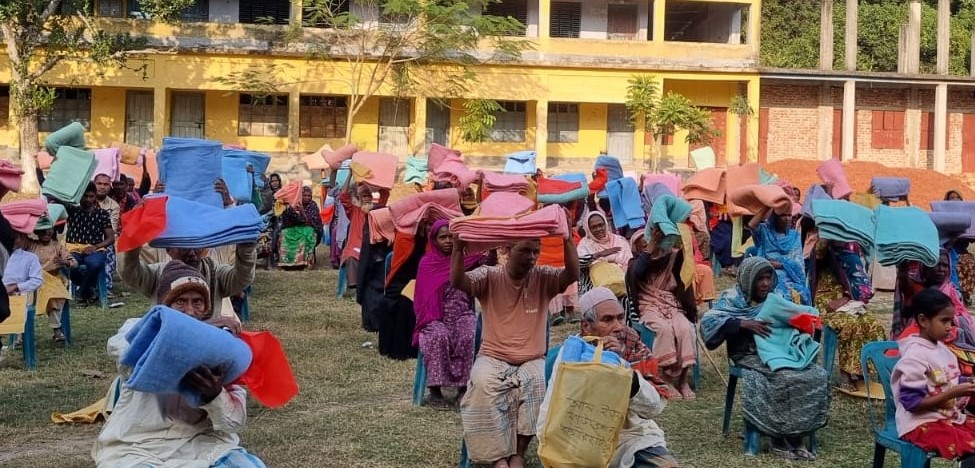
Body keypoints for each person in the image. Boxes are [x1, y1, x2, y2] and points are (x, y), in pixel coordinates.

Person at [92, 261, 259, 467]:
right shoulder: (136, 328)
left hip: (205, 446)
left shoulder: (222, 350)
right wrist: (197, 330)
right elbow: (124, 355)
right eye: (180, 302)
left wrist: (215, 396)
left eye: (197, 302)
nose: (189, 311)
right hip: (139, 447)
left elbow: (234, 423)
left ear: (206, 307)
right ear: (164, 306)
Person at [451, 230, 579, 468]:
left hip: (533, 359)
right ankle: (498, 458)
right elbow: (459, 281)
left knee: (540, 383)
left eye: (535, 252)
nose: (531, 257)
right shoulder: (489, 276)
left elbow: (572, 274)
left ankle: (518, 454)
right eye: (525, 251)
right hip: (492, 357)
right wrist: (458, 249)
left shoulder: (543, 277)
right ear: (507, 251)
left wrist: (567, 238)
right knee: (482, 385)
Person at [701, 256, 829, 461]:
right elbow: (709, 321)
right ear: (747, 278)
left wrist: (803, 322)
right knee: (781, 377)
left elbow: (792, 317)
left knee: (815, 375)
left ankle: (796, 435)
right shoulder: (733, 298)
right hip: (747, 354)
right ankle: (775, 436)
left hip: (779, 351)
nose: (765, 283)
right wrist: (743, 323)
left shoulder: (776, 296)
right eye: (760, 278)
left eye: (769, 278)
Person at [539, 287, 679, 468]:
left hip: (628, 437)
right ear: (586, 326)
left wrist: (623, 370)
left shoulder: (632, 346)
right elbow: (551, 408)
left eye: (620, 317)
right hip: (578, 439)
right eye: (607, 320)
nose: (618, 326)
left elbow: (654, 407)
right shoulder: (571, 354)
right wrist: (598, 364)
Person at [892, 288, 975, 467]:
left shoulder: (943, 349)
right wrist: (953, 393)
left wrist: (966, 383)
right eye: (944, 320)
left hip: (947, 417)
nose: (950, 327)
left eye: (951, 321)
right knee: (968, 446)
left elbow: (945, 382)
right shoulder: (915, 356)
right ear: (923, 320)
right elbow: (912, 404)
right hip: (921, 423)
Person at [413, 220, 487, 409]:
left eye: (451, 237)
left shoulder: (467, 260)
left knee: (470, 333)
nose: (447, 241)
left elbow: (490, 264)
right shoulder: (427, 263)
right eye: (442, 237)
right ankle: (435, 391)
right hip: (434, 317)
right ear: (434, 240)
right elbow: (422, 298)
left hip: (462, 313)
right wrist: (432, 319)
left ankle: (464, 388)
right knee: (438, 336)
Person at [628, 227, 698, 400]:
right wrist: (649, 249)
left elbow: (686, 260)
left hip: (671, 304)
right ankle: (664, 378)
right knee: (664, 329)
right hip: (649, 306)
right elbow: (638, 272)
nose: (649, 246)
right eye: (643, 245)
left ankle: (682, 380)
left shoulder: (670, 258)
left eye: (651, 242)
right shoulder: (634, 264)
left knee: (685, 329)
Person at [812, 239, 885, 391]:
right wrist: (828, 238)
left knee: (872, 323)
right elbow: (818, 254)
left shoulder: (854, 247)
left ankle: (861, 372)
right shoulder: (824, 243)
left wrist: (846, 297)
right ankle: (845, 373)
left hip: (848, 297)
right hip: (826, 298)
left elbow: (858, 279)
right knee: (849, 324)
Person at [120, 241, 257, 316]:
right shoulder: (158, 273)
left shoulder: (215, 273)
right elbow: (129, 272)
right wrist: (133, 240)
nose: (192, 253)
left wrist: (247, 249)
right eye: (184, 248)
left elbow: (242, 277)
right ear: (169, 250)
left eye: (196, 247)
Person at [62, 182, 115, 307]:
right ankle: (89, 291)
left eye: (91, 196)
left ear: (95, 196)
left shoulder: (102, 214)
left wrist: (95, 247)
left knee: (95, 264)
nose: (88, 199)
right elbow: (58, 199)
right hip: (73, 248)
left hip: (95, 249)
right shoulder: (71, 210)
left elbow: (110, 238)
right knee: (67, 264)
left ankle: (81, 294)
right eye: (85, 196)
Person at [748, 207, 810, 305]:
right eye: (782, 215)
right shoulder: (765, 231)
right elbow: (752, 225)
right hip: (767, 273)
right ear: (774, 217)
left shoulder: (794, 236)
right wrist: (767, 207)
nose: (787, 219)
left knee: (799, 293)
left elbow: (798, 263)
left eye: (789, 215)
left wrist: (782, 264)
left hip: (789, 276)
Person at [28, 228, 77, 343]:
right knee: (24, 298)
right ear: (37, 231)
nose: (46, 233)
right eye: (42, 230)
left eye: (49, 230)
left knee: (53, 296)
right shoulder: (31, 245)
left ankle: (56, 330)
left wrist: (64, 262)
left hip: (53, 279)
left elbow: (74, 263)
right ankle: (22, 335)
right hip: (34, 279)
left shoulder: (57, 246)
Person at [278, 186, 323, 270]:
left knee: (308, 233)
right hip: (294, 227)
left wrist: (302, 210)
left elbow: (312, 223)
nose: (307, 197)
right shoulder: (294, 203)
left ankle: (306, 262)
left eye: (309, 196)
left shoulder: (312, 205)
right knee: (284, 233)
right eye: (304, 195)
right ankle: (287, 261)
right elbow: (287, 220)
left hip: (308, 227)